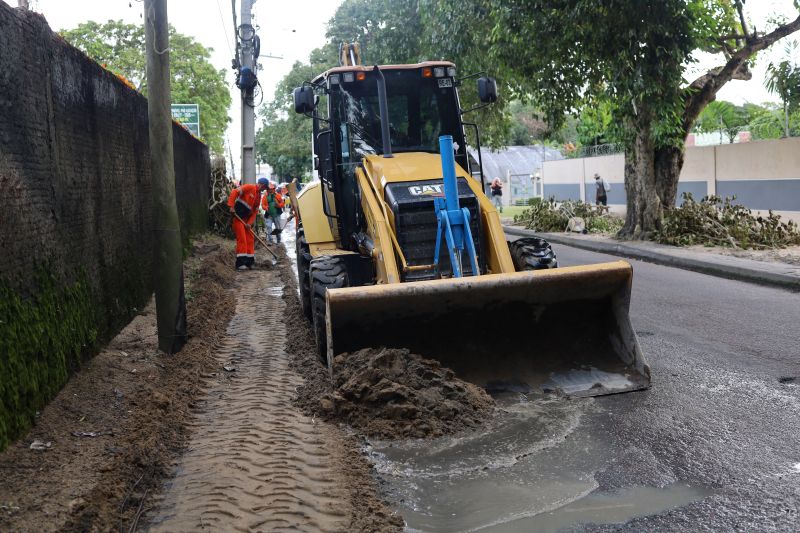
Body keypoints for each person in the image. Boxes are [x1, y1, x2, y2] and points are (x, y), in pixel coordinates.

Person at [228, 177, 269, 270]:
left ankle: (249, 262)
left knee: (250, 238)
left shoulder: (258, 196)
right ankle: (240, 263)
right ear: (262, 184)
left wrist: (250, 223)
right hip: (238, 217)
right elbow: (234, 192)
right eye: (265, 187)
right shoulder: (249, 187)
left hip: (246, 220)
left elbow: (254, 211)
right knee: (242, 239)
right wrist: (231, 206)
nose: (264, 190)